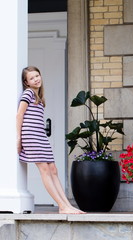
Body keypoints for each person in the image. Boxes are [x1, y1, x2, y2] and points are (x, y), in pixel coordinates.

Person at [16, 66, 85, 214]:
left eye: (37, 75)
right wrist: (18, 138)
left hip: (41, 136)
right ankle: (62, 205)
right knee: (45, 170)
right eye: (32, 78)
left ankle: (66, 205)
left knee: (53, 169)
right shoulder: (28, 93)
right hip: (31, 136)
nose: (36, 79)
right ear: (26, 82)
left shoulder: (39, 97)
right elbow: (19, 115)